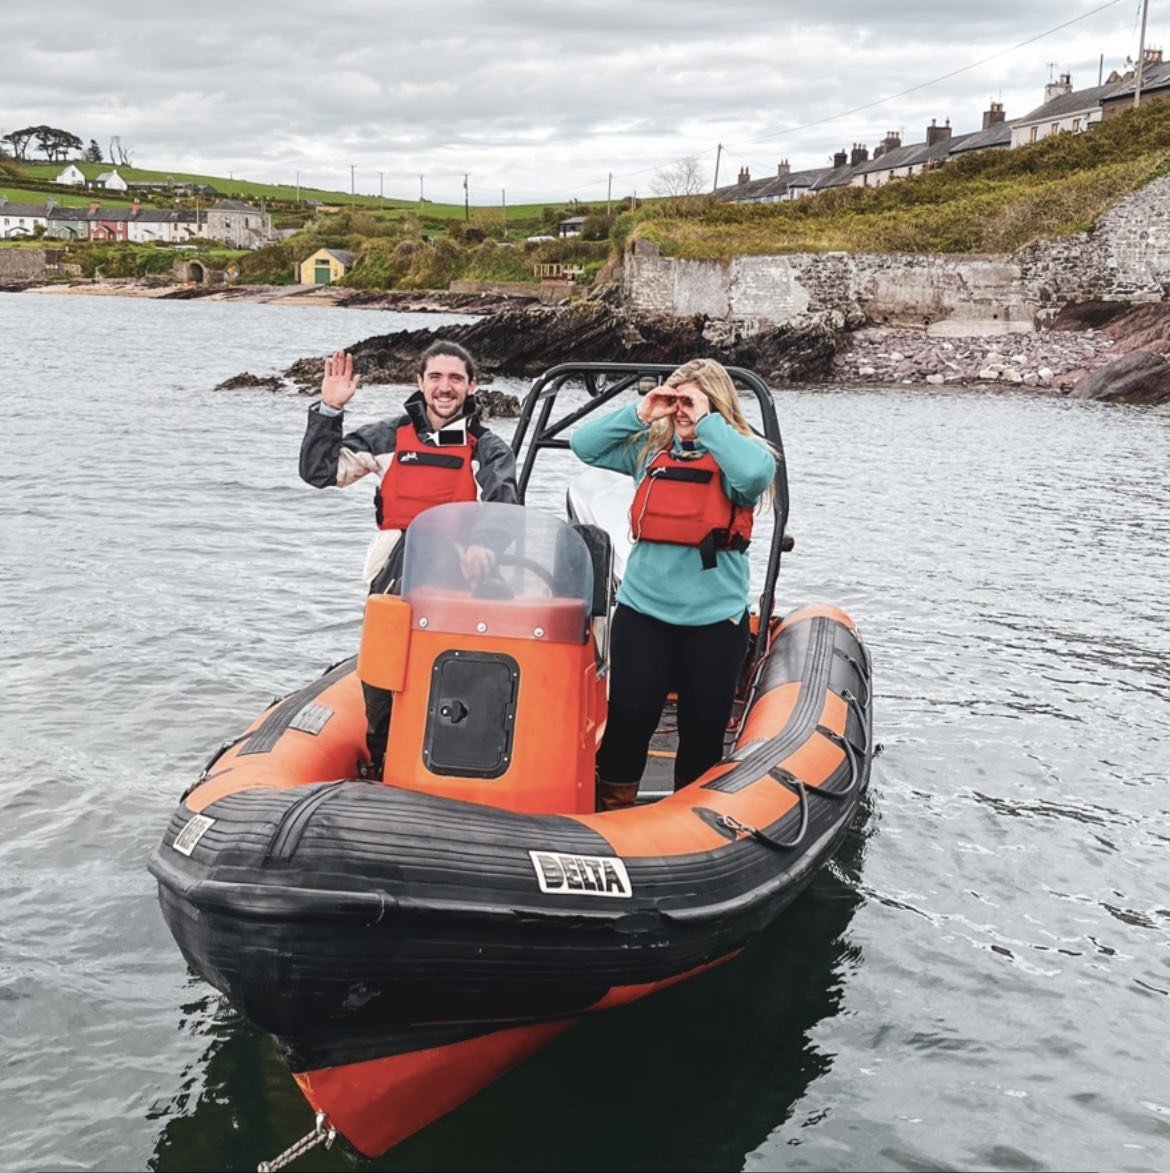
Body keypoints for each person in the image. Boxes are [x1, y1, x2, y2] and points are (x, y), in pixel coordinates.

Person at [299, 339, 518, 775]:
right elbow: (320, 472)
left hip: (462, 590)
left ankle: (463, 768)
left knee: (459, 686)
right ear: (420, 382)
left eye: (456, 378)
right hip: (395, 584)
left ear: (472, 386)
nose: (444, 387)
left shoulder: (488, 448)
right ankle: (384, 767)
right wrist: (329, 410)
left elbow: (505, 503)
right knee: (382, 688)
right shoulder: (386, 437)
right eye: (435, 376)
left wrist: (485, 545)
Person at [569, 358, 776, 811]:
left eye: (689, 403)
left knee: (702, 732)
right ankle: (612, 810)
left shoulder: (740, 456)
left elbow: (757, 476)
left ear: (716, 406)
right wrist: (642, 412)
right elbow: (583, 445)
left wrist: (708, 424)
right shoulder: (648, 452)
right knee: (629, 723)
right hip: (645, 614)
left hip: (714, 621)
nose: (679, 411)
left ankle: (690, 820)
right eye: (675, 400)